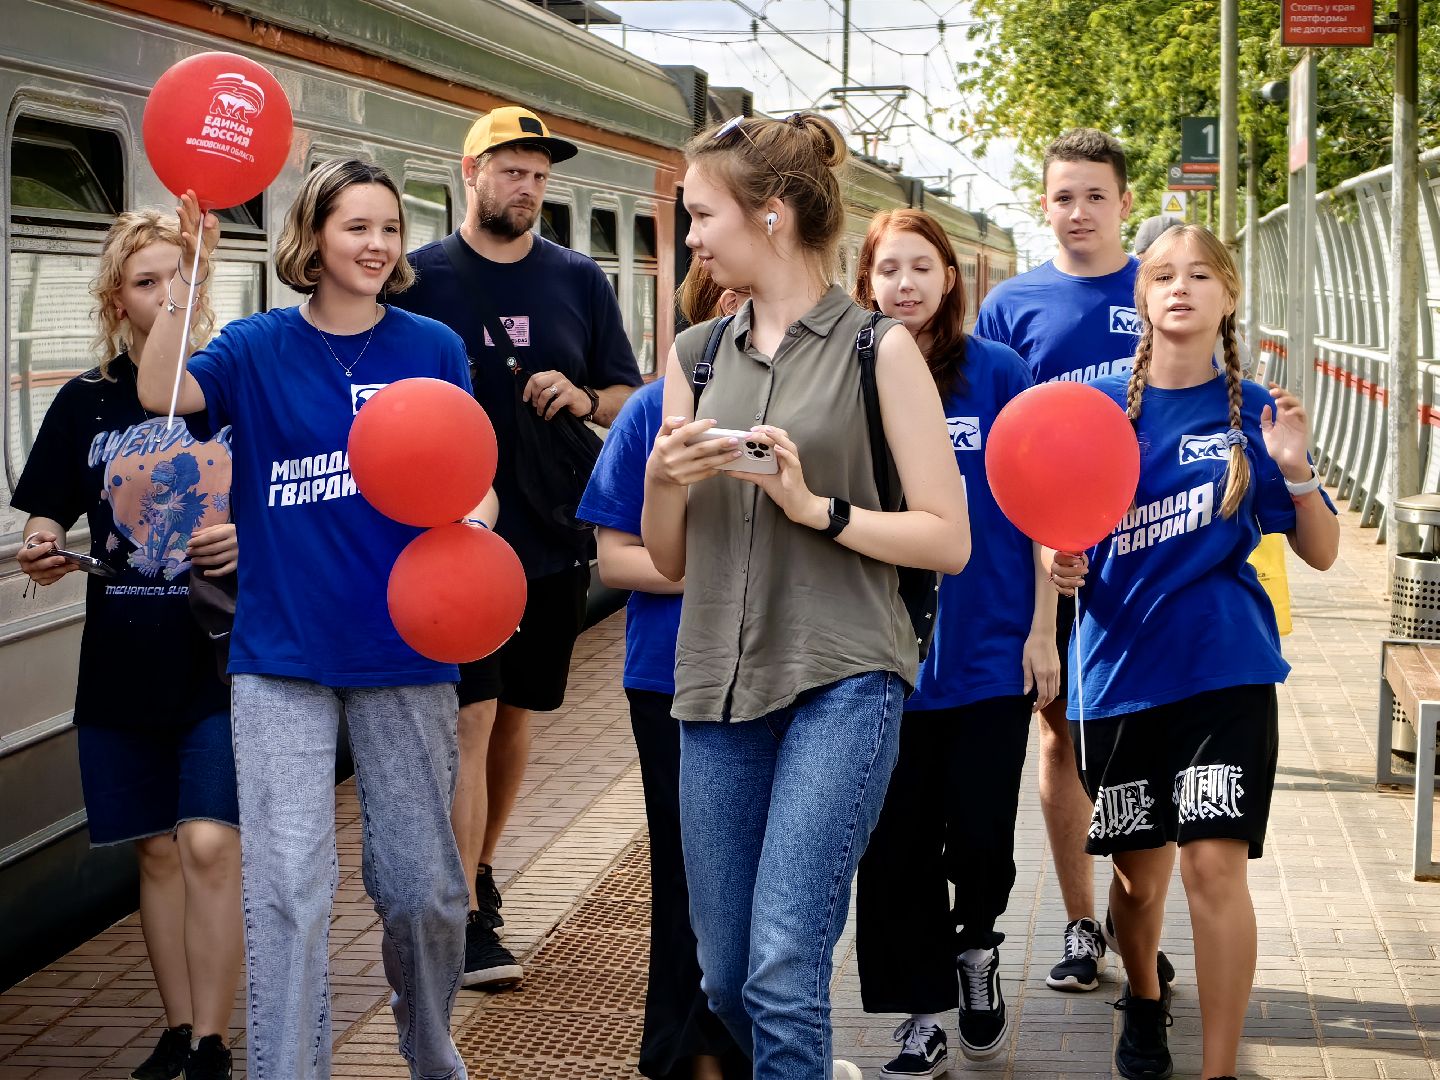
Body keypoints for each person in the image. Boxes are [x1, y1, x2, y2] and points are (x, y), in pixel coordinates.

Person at [136, 159, 495, 1080]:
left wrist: (476, 527)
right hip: (281, 654)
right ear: (314, 237)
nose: (376, 245)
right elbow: (162, 394)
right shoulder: (255, 346)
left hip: (405, 647)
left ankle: (430, 1051)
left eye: (389, 228)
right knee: (289, 892)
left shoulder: (433, 347)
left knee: (423, 892)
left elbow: (472, 479)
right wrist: (187, 283)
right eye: (355, 227)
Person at [643, 112, 971, 1080]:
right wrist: (663, 476)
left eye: (703, 215)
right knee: (727, 977)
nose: (692, 238)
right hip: (716, 686)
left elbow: (947, 538)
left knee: (784, 968)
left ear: (771, 215)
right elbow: (668, 558)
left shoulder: (881, 350)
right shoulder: (695, 356)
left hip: (846, 676)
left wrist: (814, 507)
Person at [1050, 224, 1339, 1080]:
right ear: (1141, 297)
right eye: (1164, 275)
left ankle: (1217, 1070)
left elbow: (1323, 552)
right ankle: (1143, 994)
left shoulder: (1256, 413)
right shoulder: (1095, 406)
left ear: (1229, 295)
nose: (1180, 287)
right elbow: (1049, 527)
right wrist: (1056, 560)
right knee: (1140, 881)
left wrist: (1296, 469)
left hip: (1226, 668)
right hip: (1120, 673)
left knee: (1214, 865)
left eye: (1200, 275)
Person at [390, 104, 643, 989]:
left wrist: (583, 396)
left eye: (538, 175)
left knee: (515, 716)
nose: (527, 187)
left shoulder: (578, 277)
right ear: (470, 173)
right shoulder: (419, 279)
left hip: (549, 533)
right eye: (511, 170)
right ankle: (464, 914)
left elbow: (628, 394)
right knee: (472, 715)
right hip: (453, 537)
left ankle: (484, 863)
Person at [14, 210, 241, 1080]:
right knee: (154, 848)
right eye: (146, 282)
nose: (166, 295)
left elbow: (284, 504)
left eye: (180, 277)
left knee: (210, 843)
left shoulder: (229, 386)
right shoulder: (84, 401)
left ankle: (213, 1043)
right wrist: (41, 545)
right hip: (118, 661)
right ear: (117, 299)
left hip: (217, 656)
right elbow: (46, 510)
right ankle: (178, 1029)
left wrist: (248, 541)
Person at [851, 208, 1059, 1077]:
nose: (904, 285)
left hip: (988, 649)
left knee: (979, 833)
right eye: (887, 269)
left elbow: (1047, 505)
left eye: (920, 267)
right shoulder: (848, 371)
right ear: (865, 283)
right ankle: (920, 1015)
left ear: (949, 278)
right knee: (892, 844)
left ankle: (976, 946)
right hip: (877, 654)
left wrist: (1043, 630)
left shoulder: (999, 373)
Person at [974, 127, 1149, 992]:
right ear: (1043, 206)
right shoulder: (1011, 307)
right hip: (1048, 562)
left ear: (1125, 203)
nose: (1079, 212)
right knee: (1061, 736)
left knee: (1142, 745)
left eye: (1095, 196)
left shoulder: (1159, 289)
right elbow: (993, 445)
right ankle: (1082, 926)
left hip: (1151, 552)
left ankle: (1137, 921)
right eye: (1063, 197)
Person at [575, 261, 748, 1080]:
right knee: (685, 874)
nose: (743, 313)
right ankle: (688, 1055)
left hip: (782, 672)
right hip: (671, 677)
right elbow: (614, 559)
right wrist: (722, 575)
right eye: (728, 299)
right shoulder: (651, 412)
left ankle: (749, 1046)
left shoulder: (809, 409)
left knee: (761, 879)